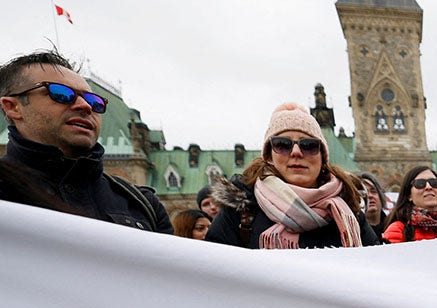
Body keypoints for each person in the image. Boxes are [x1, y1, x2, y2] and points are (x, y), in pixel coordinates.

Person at [0, 49, 171, 233]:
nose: (85, 106)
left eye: (94, 101)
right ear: (13, 107)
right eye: (61, 94)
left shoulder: (143, 204)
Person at [205, 102, 379, 249]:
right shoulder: (240, 210)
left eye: (309, 145)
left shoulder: (348, 211)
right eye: (282, 144)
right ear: (269, 156)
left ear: (323, 158)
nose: (296, 152)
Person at [383, 165, 437, 241]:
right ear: (409, 195)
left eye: (434, 183)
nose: (428, 187)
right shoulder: (398, 231)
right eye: (420, 183)